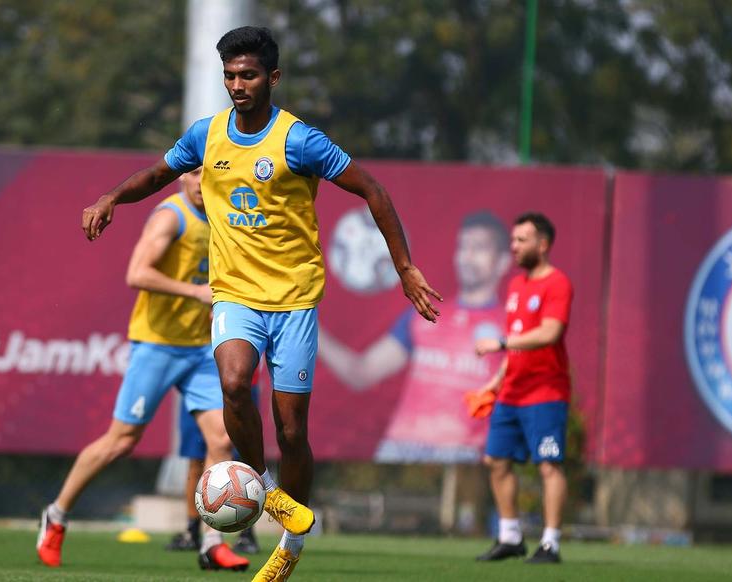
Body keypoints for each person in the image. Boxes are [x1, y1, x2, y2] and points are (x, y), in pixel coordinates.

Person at [80, 26, 441, 582]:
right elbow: (157, 174)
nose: (236, 85)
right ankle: (266, 494)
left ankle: (291, 545)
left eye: (247, 75)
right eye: (229, 75)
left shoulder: (300, 140)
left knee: (292, 430)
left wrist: (405, 268)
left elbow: (374, 190)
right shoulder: (208, 135)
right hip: (236, 295)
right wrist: (110, 197)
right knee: (232, 383)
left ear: (272, 78)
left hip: (295, 299)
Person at [37, 169, 250, 572]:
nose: (204, 181)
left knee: (221, 439)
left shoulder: (224, 217)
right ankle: (57, 515)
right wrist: (195, 292)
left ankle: (210, 543)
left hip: (201, 348)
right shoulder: (171, 216)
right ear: (183, 177)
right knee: (121, 441)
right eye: (197, 173)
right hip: (157, 345)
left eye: (212, 172)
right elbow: (137, 272)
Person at [319, 211, 511, 463]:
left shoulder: (511, 326)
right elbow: (361, 373)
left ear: (503, 261)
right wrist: (307, 324)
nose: (468, 256)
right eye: (463, 246)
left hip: (462, 456)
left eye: (480, 248)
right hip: (397, 450)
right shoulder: (425, 311)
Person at [473, 212, 574, 564]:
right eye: (513, 240)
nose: (513, 247)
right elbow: (518, 343)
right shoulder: (517, 286)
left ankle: (550, 543)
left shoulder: (557, 283)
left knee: (549, 464)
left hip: (546, 392)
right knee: (496, 461)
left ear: (542, 244)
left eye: (521, 240)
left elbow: (549, 333)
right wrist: (495, 381)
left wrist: (499, 342)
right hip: (512, 392)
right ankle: (511, 536)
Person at [165, 368, 262, 555]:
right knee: (195, 458)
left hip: (240, 383)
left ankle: (246, 533)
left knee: (245, 460)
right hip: (197, 383)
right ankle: (192, 530)